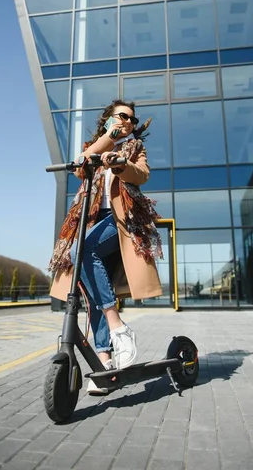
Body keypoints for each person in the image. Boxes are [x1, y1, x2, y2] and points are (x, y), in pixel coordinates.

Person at [49, 99, 163, 394]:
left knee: (81, 252)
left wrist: (122, 164)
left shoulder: (135, 148)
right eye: (123, 116)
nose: (129, 122)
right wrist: (106, 141)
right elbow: (80, 168)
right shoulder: (96, 145)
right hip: (91, 221)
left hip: (122, 219)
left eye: (133, 120)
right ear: (109, 119)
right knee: (94, 288)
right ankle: (105, 361)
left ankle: (119, 328)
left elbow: (142, 175)